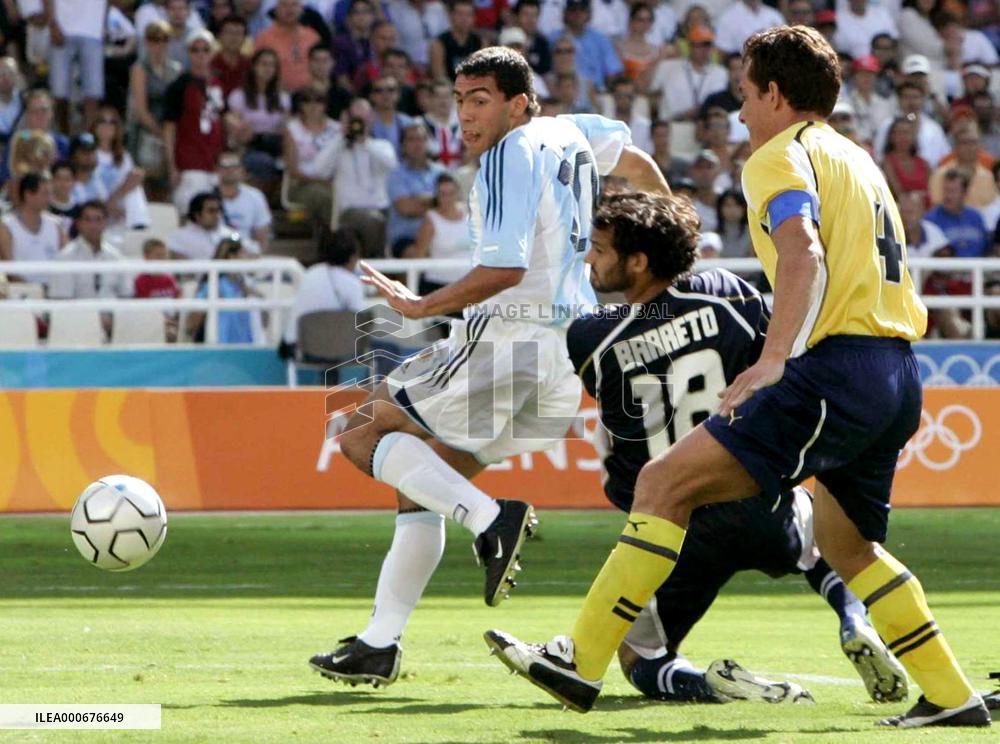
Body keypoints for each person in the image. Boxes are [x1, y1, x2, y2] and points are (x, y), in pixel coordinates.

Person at [487, 25, 991, 729]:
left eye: (747, 92)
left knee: (662, 483)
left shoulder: (777, 157)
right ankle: (951, 696)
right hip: (898, 370)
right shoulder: (858, 157)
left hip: (833, 366)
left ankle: (581, 663)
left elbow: (803, 252)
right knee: (849, 548)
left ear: (775, 94)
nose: (741, 108)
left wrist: (776, 355)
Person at [308, 45, 670, 687]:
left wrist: (420, 306)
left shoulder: (510, 154)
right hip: (566, 354)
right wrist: (667, 252)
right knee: (421, 482)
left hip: (508, 339)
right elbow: (635, 161)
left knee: (358, 429)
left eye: (480, 101)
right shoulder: (573, 130)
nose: (466, 116)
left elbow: (503, 268)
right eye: (459, 101)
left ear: (518, 104)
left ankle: (491, 520)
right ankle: (378, 643)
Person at [560, 191, 905, 705]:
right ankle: (855, 620)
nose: (589, 258)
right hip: (751, 488)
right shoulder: (724, 293)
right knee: (834, 545)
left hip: (676, 525)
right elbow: (775, 366)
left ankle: (715, 686)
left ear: (637, 262)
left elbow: (624, 445)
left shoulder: (589, 338)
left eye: (601, 249)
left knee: (640, 661)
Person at [162, 29, 226, 215]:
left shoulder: (218, 81)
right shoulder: (179, 86)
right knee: (190, 213)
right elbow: (169, 127)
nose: (200, 55)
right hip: (189, 162)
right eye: (195, 50)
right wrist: (172, 166)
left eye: (205, 49)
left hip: (214, 161)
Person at [281, 227, 365, 348]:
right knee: (390, 349)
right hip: (326, 348)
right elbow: (359, 326)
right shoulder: (352, 283)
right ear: (352, 257)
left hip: (296, 346)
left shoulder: (310, 273)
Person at [128, 20, 182, 187]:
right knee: (145, 179)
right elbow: (141, 110)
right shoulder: (139, 68)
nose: (158, 44)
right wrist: (161, 134)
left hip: (170, 129)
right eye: (154, 39)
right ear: (146, 41)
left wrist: (170, 136)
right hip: (146, 131)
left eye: (164, 39)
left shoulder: (176, 69)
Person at [226, 48, 290, 183]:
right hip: (249, 147)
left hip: (274, 147)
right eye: (263, 64)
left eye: (272, 65)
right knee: (262, 162)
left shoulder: (283, 99)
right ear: (254, 67)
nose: (268, 69)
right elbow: (236, 129)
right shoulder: (239, 96)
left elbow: (284, 128)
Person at [49, 200, 132, 302]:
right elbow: (62, 301)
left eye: (98, 219)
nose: (93, 225)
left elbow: (126, 296)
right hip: (79, 316)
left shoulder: (116, 257)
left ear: (106, 222)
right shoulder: (65, 258)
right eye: (87, 220)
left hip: (114, 315)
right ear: (79, 223)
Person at [187, 235, 263, 343]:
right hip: (220, 349)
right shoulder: (212, 285)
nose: (247, 257)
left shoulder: (247, 284)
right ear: (232, 256)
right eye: (243, 253)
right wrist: (208, 302)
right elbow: (190, 326)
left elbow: (264, 322)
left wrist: (258, 297)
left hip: (247, 348)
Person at [0, 171, 68, 289]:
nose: (50, 198)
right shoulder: (6, 226)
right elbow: (9, 268)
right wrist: (34, 291)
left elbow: (67, 258)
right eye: (45, 193)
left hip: (55, 292)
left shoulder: (56, 225)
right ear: (28, 195)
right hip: (22, 294)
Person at [47, 0, 106, 132]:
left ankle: (87, 141)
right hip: (63, 28)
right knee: (59, 92)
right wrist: (52, 23)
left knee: (93, 93)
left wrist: (104, 23)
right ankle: (63, 136)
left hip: (93, 31)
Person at [408, 172, 471, 294]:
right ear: (436, 195)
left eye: (451, 193)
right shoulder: (430, 219)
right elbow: (419, 255)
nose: (447, 199)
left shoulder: (470, 213)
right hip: (439, 285)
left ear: (458, 193)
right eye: (443, 194)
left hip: (469, 284)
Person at [387, 122, 444, 256]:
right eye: (411, 139)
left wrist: (418, 199)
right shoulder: (396, 175)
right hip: (406, 238)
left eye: (421, 139)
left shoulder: (441, 172)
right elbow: (406, 209)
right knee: (416, 254)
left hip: (439, 235)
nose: (417, 144)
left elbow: (450, 204)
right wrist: (437, 201)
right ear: (403, 145)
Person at [91, 106, 150, 229]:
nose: (107, 126)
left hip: (117, 201)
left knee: (136, 188)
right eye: (102, 121)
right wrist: (107, 204)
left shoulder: (124, 156)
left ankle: (138, 225)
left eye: (112, 122)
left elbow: (136, 177)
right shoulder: (89, 152)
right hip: (97, 201)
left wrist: (115, 199)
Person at [254, 0, 320, 93]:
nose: (289, 9)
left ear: (302, 10)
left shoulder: (312, 37)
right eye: (284, 5)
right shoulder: (264, 38)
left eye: (294, 5)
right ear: (276, 10)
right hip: (275, 96)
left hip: (310, 98)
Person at [216, 150, 272, 253]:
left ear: (242, 169)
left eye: (234, 166)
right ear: (217, 169)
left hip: (245, 252)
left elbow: (262, 233)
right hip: (214, 251)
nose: (229, 170)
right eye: (224, 166)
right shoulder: (207, 195)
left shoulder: (256, 196)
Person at [429, 0, 482, 81]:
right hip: (448, 88)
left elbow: (483, 73)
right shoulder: (438, 44)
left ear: (474, 18)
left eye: (468, 15)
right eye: (460, 14)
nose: (464, 19)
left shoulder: (480, 42)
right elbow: (439, 76)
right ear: (450, 16)